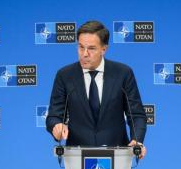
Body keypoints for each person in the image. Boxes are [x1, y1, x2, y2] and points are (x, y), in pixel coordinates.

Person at [45, 20, 147, 159]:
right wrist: (56, 126)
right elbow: (54, 116)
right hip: (77, 159)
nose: (84, 54)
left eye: (91, 48)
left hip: (117, 157)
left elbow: (136, 114)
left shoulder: (123, 73)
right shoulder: (65, 75)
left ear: (104, 49)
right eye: (81, 47)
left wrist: (137, 140)